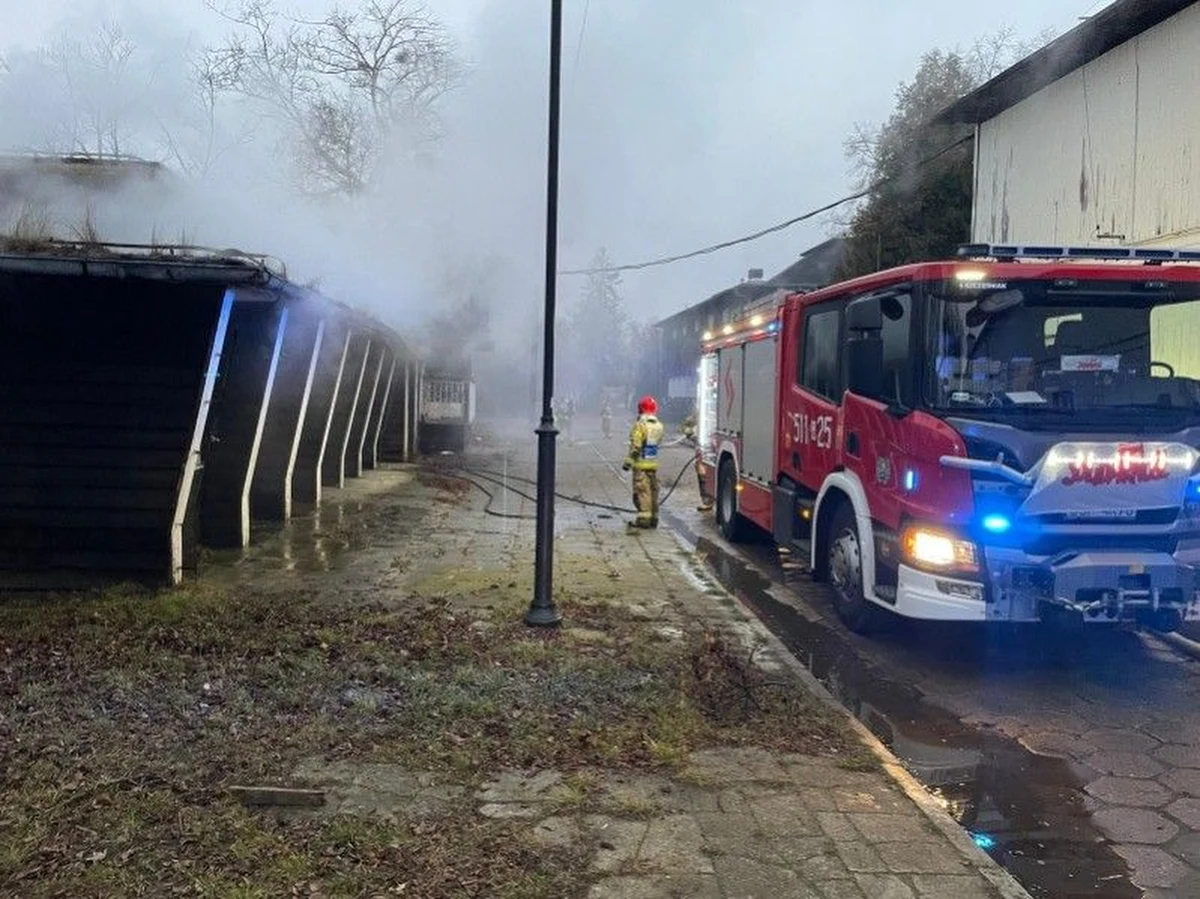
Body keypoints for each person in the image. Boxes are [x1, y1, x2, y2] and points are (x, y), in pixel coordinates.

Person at [622, 395, 665, 529]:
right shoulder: (659, 426)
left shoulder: (640, 425)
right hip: (652, 463)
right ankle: (654, 519)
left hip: (640, 465)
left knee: (642, 492)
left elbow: (636, 447)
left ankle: (643, 521)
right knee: (653, 491)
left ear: (640, 409)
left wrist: (628, 463)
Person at [681, 406, 714, 512]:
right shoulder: (702, 409)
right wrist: (691, 435)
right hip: (704, 445)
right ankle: (707, 500)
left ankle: (708, 499)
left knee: (703, 469)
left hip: (713, 444)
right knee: (701, 468)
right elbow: (687, 425)